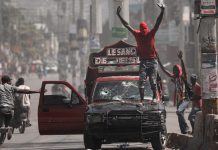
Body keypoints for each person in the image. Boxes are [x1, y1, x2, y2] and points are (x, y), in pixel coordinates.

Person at [116, 2, 165, 101]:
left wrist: (162, 11)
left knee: (152, 80)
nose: (144, 32)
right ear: (140, 30)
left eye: (145, 30)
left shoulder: (151, 33)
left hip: (152, 61)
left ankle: (154, 97)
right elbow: (127, 25)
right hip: (143, 61)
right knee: (141, 80)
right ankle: (142, 99)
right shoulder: (137, 34)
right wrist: (119, 15)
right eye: (142, 30)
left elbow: (158, 22)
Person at [158, 51, 191, 134]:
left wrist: (181, 59)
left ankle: (186, 127)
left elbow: (184, 70)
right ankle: (183, 130)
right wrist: (158, 60)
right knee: (180, 114)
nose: (174, 71)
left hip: (185, 99)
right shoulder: (174, 78)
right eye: (174, 70)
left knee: (179, 112)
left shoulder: (183, 77)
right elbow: (164, 70)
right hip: (179, 100)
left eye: (176, 70)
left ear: (179, 71)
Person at [0, 75, 41, 140]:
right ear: (8, 81)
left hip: (2, 109)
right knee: (7, 124)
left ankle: (7, 129)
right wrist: (37, 91)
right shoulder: (11, 87)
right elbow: (25, 91)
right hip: (10, 110)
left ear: (2, 81)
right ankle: (8, 129)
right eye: (10, 81)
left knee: (1, 126)